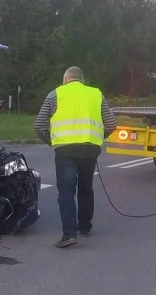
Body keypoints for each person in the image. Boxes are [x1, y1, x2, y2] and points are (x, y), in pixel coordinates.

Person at [34, 66, 117, 248]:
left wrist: (54, 142)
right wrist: (98, 138)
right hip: (89, 150)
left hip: (65, 151)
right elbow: (111, 123)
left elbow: (39, 125)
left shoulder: (55, 94)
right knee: (86, 189)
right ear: (82, 80)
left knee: (66, 192)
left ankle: (69, 233)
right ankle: (85, 227)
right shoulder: (96, 94)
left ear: (65, 79)